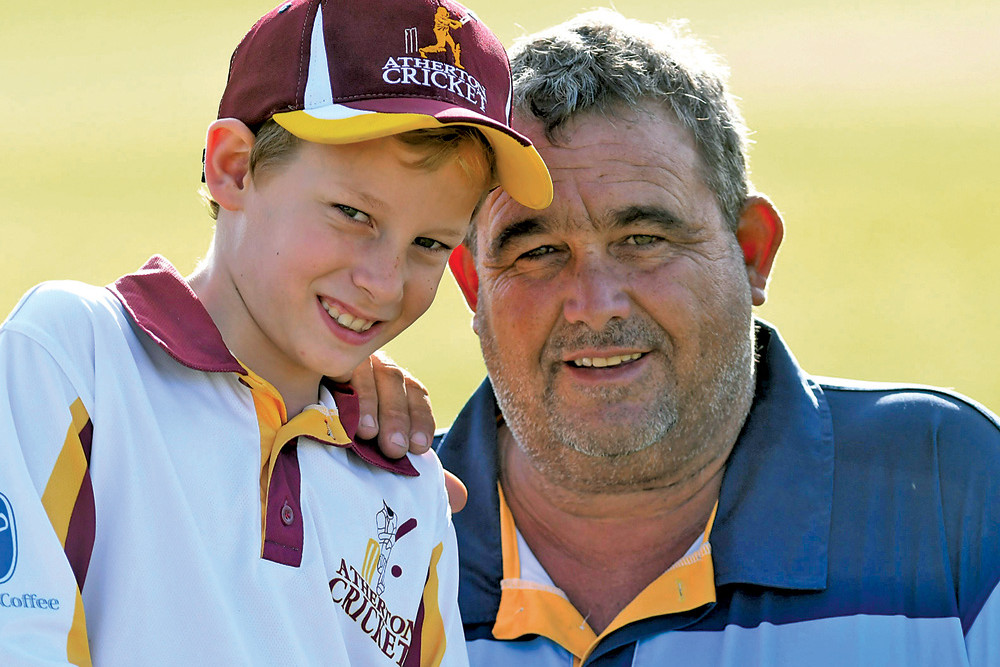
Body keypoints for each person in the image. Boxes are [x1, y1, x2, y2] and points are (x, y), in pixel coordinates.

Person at [435, 9, 1000, 666]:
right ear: (474, 283)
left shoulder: (948, 492)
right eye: (536, 253)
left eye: (643, 240)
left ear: (752, 251)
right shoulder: (372, 538)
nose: (593, 304)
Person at [0, 0, 551, 664]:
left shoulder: (406, 490)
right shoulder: (72, 359)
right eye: (353, 212)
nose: (383, 280)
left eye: (430, 242)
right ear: (233, 167)